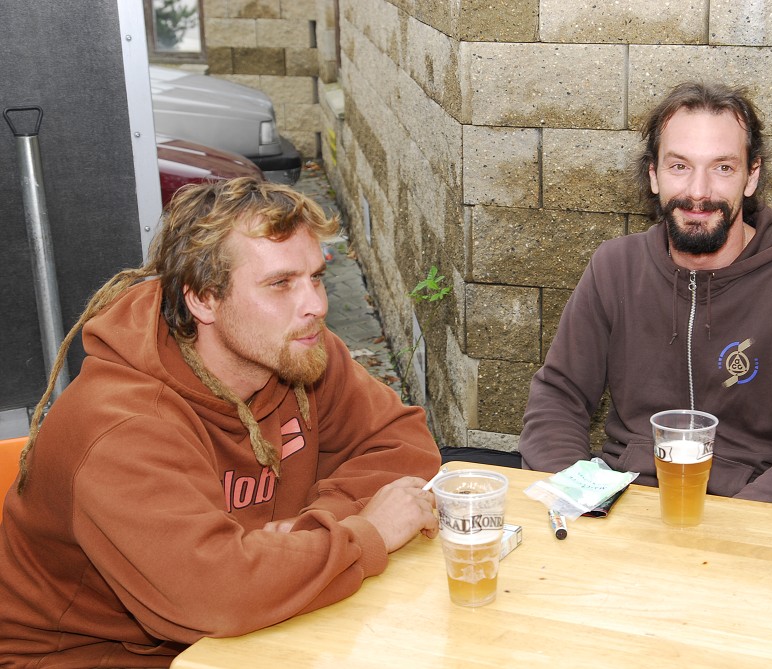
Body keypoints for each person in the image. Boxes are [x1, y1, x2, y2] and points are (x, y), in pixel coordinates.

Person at [0, 178, 441, 667]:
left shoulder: (295, 352)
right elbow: (216, 596)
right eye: (281, 284)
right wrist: (368, 532)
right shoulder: (121, 425)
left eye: (316, 276)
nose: (316, 305)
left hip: (244, 631)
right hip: (90, 656)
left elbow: (403, 445)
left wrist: (313, 528)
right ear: (203, 299)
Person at [519, 81, 772, 510]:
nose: (699, 192)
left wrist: (730, 525)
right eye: (679, 166)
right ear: (654, 175)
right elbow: (558, 397)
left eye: (722, 167)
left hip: (752, 512)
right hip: (627, 505)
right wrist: (577, 498)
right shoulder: (614, 267)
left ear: (751, 176)